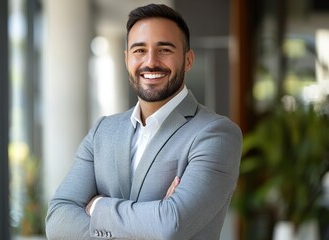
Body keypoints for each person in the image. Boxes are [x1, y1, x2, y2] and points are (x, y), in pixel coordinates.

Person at [45, 3, 242, 240]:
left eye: (165, 50)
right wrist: (151, 219)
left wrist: (97, 206)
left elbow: (169, 225)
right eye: (139, 50)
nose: (150, 62)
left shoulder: (217, 134)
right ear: (127, 59)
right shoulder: (102, 131)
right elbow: (57, 222)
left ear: (188, 60)